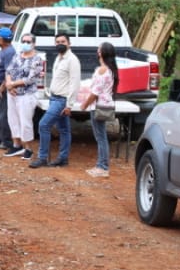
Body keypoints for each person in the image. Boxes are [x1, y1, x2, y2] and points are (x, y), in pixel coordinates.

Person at [32, 32, 82, 169]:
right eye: (58, 42)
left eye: (63, 42)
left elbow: (75, 83)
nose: (60, 44)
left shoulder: (72, 60)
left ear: (69, 43)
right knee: (64, 130)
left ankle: (42, 158)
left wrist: (69, 105)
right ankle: (63, 158)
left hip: (62, 100)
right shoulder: (58, 58)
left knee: (43, 125)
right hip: (54, 97)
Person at [80, 41, 119, 177]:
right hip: (106, 104)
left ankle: (102, 166)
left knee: (100, 137)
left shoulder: (102, 70)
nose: (97, 51)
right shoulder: (111, 70)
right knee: (101, 136)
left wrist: (84, 104)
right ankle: (101, 165)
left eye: (99, 49)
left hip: (97, 106)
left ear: (101, 53)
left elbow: (95, 92)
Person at [4, 33, 45, 159]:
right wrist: (9, 85)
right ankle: (17, 145)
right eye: (24, 41)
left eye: (28, 41)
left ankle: (28, 148)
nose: (25, 44)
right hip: (13, 94)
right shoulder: (17, 55)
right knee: (13, 119)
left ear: (34, 44)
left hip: (27, 95)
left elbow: (30, 79)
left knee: (25, 121)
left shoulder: (37, 59)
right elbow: (9, 71)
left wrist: (12, 85)